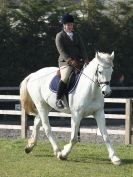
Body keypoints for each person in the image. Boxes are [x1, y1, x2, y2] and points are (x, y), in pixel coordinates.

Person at [55, 13, 88, 109]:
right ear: (64, 25)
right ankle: (59, 99)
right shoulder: (60, 36)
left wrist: (85, 59)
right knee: (65, 77)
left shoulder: (76, 35)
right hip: (65, 62)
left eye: (71, 24)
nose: (70, 26)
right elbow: (61, 50)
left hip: (78, 61)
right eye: (68, 25)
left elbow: (82, 48)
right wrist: (69, 60)